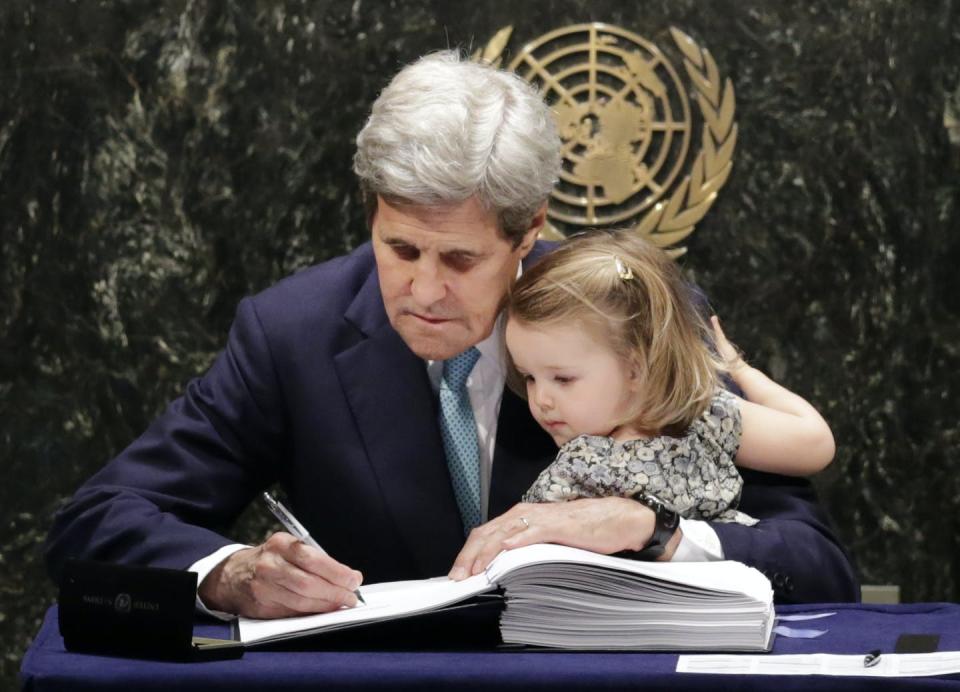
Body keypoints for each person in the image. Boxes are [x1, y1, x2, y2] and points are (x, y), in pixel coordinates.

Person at [45, 50, 858, 620]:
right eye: (400, 249)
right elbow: (100, 518)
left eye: (461, 258)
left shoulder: (628, 310)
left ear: (529, 231)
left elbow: (819, 569)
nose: (423, 291)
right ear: (371, 216)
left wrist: (655, 531)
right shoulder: (290, 333)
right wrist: (228, 574)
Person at [500, 231, 834, 532]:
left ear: (636, 369)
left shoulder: (702, 416)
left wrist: (741, 371)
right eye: (529, 377)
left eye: (563, 378)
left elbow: (814, 445)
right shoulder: (573, 467)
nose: (541, 398)